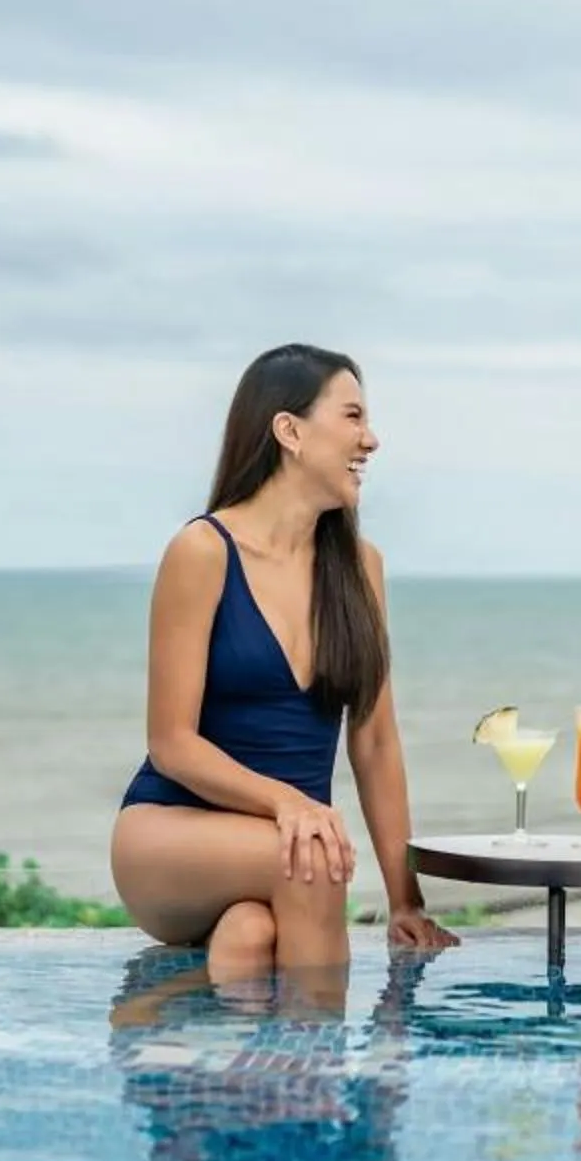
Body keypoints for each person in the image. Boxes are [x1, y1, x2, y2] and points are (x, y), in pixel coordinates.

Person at [111, 344, 458, 972]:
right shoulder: (203, 550)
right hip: (171, 832)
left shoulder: (361, 569)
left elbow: (376, 744)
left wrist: (405, 901)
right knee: (313, 857)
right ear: (289, 431)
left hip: (288, 845)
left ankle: (175, 1009)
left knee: (250, 937)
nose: (371, 439)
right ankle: (322, 1041)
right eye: (352, 416)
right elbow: (171, 743)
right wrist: (287, 802)